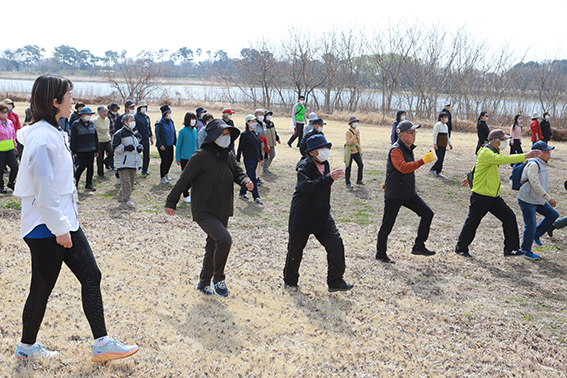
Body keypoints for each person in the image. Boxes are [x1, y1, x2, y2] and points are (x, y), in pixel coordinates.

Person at [12, 74, 138, 361]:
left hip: (62, 223)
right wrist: (60, 229)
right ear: (55, 101)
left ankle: (102, 343)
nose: (73, 101)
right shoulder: (43, 138)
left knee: (91, 276)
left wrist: (64, 226)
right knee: (41, 289)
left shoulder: (50, 130)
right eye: (69, 96)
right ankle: (26, 348)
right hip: (49, 227)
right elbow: (44, 188)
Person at [164, 119, 253, 297]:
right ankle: (218, 278)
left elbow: (237, 172)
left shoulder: (228, 155)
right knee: (224, 240)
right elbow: (184, 180)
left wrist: (245, 181)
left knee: (213, 245)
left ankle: (204, 282)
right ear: (213, 136)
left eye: (228, 134)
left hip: (223, 208)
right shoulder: (201, 156)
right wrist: (171, 201)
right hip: (204, 210)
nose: (226, 138)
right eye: (222, 134)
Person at [455, 129, 543, 258]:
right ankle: (461, 248)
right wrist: (526, 156)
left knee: (509, 218)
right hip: (481, 196)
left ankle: (511, 249)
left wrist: (469, 177)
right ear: (495, 141)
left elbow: (477, 166)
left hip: (493, 197)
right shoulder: (487, 152)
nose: (505, 142)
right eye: (503, 140)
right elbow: (503, 159)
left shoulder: (491, 151)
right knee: (472, 223)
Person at [284, 134, 354, 292]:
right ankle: (290, 280)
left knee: (336, 245)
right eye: (322, 149)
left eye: (327, 148)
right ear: (312, 152)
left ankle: (335, 281)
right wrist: (328, 178)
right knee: (295, 251)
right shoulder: (303, 166)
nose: (325, 151)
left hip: (322, 216)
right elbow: (306, 186)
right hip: (302, 216)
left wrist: (328, 178)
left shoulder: (326, 164)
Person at [376, 121, 436, 263]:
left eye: (415, 133)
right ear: (402, 135)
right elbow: (403, 167)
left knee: (427, 214)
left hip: (409, 194)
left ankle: (419, 246)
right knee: (387, 225)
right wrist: (423, 161)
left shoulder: (408, 148)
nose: (414, 135)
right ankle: (380, 254)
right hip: (395, 195)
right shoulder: (396, 149)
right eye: (411, 133)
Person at [517, 141, 558, 260]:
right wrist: (548, 198)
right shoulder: (533, 164)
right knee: (530, 225)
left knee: (553, 214)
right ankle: (525, 251)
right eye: (547, 152)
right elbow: (535, 184)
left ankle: (536, 234)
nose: (549, 154)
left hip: (538, 199)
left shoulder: (541, 163)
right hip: (527, 200)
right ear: (539, 153)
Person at [112, 114, 142, 207]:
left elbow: (138, 144)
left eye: (133, 120)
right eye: (131, 120)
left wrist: (140, 148)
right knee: (126, 183)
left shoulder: (135, 133)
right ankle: (126, 200)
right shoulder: (119, 134)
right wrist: (125, 148)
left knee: (131, 182)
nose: (133, 122)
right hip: (124, 163)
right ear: (125, 122)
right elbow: (115, 148)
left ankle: (121, 194)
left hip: (133, 162)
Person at [237, 115, 263, 205]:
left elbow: (259, 147)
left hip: (256, 158)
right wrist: (238, 159)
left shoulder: (256, 133)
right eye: (252, 121)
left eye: (255, 121)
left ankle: (242, 192)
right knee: (253, 177)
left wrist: (261, 158)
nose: (254, 123)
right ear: (247, 122)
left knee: (249, 175)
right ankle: (256, 196)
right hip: (248, 158)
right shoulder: (244, 134)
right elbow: (240, 147)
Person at [70, 106, 98, 191]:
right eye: (87, 114)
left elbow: (95, 137)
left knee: (90, 167)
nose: (88, 116)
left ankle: (89, 184)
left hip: (91, 148)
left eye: (90, 114)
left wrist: (97, 149)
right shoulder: (76, 124)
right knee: (82, 166)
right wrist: (73, 150)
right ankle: (75, 183)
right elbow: (73, 138)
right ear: (82, 115)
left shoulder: (92, 123)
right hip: (80, 149)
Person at [176, 112, 198, 203]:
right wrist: (177, 158)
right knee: (186, 177)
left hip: (194, 157)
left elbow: (196, 144)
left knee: (195, 176)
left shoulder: (195, 131)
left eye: (194, 119)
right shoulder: (182, 131)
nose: (193, 121)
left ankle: (187, 190)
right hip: (184, 157)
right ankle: (185, 194)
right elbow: (178, 145)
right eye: (192, 119)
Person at [155, 104, 176, 184]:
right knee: (165, 160)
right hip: (163, 145)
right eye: (169, 112)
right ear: (165, 113)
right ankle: (162, 177)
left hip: (170, 144)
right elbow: (158, 135)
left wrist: (175, 141)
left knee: (170, 159)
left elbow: (173, 131)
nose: (170, 114)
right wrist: (160, 144)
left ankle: (166, 173)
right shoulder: (159, 123)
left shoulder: (171, 121)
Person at [0, 103, 18, 193]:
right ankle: (1, 186)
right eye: (3, 112)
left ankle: (11, 182)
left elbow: (13, 135)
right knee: (0, 170)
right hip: (1, 151)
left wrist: (15, 147)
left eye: (6, 112)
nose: (5, 114)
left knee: (15, 166)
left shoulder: (10, 123)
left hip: (10, 149)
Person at [430, 111, 453, 178]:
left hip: (444, 145)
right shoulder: (437, 125)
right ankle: (433, 169)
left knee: (442, 159)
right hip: (439, 145)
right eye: (445, 117)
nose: (446, 119)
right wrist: (435, 144)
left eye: (447, 117)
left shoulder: (446, 126)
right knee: (439, 158)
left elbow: (447, 136)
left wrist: (450, 144)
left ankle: (438, 172)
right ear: (441, 118)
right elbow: (434, 135)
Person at [134, 100, 153, 176]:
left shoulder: (146, 117)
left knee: (147, 155)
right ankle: (135, 169)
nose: (144, 108)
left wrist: (151, 137)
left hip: (146, 138)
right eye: (143, 107)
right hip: (138, 139)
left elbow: (149, 127)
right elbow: (135, 129)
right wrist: (138, 137)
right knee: (136, 155)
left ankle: (145, 170)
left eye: (145, 107)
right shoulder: (136, 117)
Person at [345, 116, 364, 188]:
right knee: (348, 167)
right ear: (350, 123)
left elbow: (358, 141)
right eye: (354, 122)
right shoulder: (348, 132)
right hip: (349, 152)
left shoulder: (358, 130)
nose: (356, 123)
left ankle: (359, 180)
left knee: (361, 165)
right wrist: (354, 136)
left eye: (356, 122)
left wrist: (360, 150)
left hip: (356, 151)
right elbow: (348, 142)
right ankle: (348, 182)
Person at [93, 106, 113, 177]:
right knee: (100, 158)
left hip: (107, 139)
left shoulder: (107, 119)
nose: (105, 113)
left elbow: (108, 130)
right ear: (99, 113)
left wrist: (110, 138)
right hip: (99, 141)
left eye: (106, 111)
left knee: (111, 152)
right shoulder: (95, 121)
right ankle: (100, 173)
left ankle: (106, 162)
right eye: (104, 111)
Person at [253, 109, 266, 184]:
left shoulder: (263, 124)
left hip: (263, 145)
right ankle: (255, 177)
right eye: (259, 114)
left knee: (261, 162)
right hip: (257, 145)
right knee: (257, 162)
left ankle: (258, 176)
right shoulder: (254, 124)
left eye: (262, 114)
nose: (261, 116)